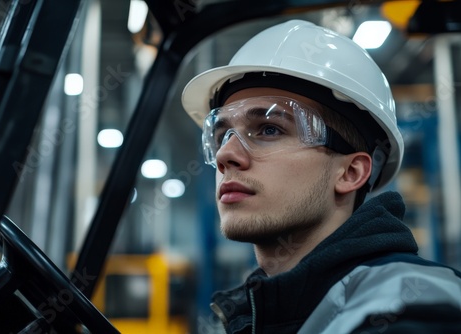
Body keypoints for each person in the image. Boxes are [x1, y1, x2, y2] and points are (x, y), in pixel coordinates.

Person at [181, 20, 461, 333]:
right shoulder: (259, 314)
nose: (224, 155)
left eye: (269, 129)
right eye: (222, 136)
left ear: (350, 172)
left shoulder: (413, 309)